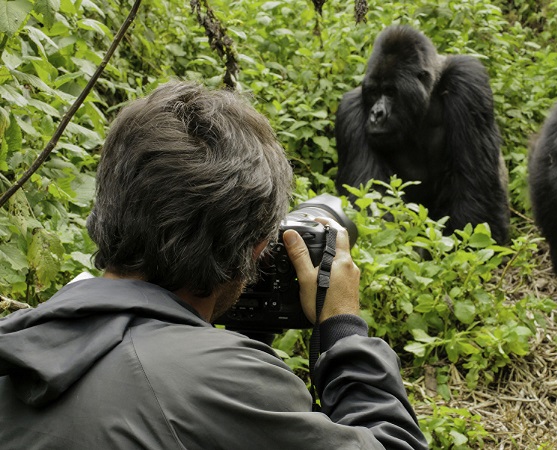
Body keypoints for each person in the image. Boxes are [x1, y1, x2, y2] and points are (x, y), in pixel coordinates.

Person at [0, 82, 428, 449]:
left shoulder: (22, 343)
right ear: (258, 247)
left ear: (108, 202)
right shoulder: (224, 385)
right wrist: (342, 327)